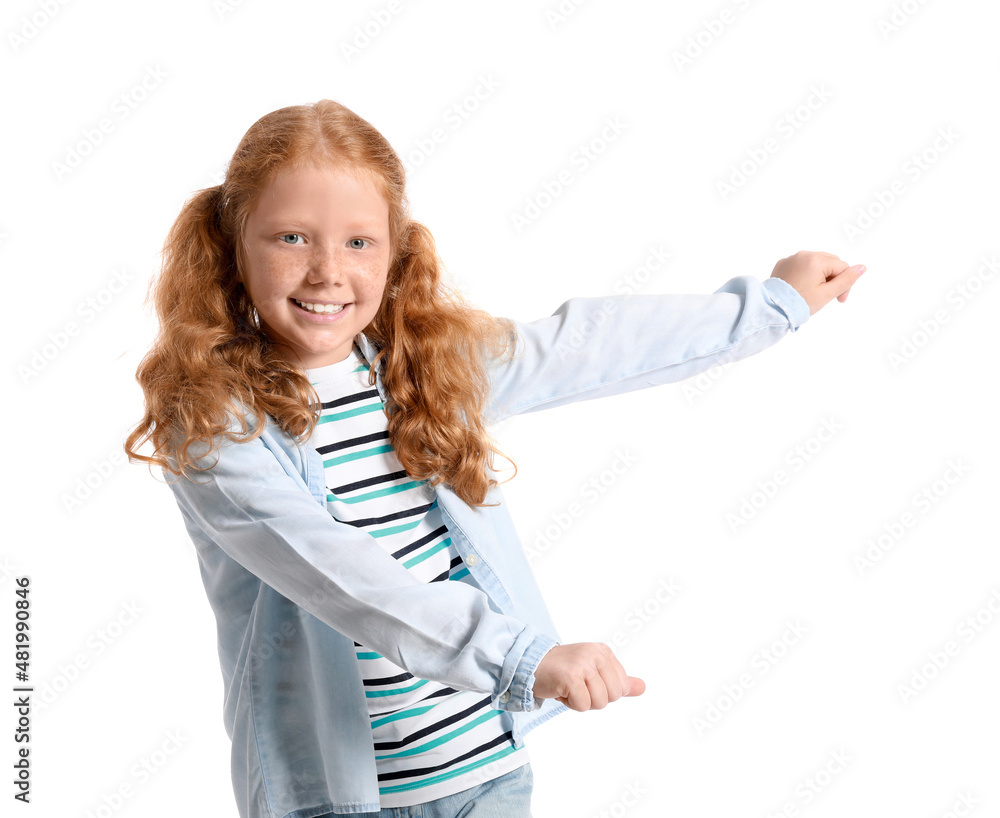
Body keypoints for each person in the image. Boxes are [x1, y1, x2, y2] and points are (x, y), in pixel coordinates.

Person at [125, 99, 865, 818]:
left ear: (396, 250)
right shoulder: (215, 428)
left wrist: (770, 307)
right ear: (232, 245)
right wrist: (521, 658)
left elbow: (589, 345)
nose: (327, 271)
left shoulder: (425, 367)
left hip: (487, 774)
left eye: (358, 242)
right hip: (336, 796)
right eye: (291, 238)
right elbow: (345, 575)